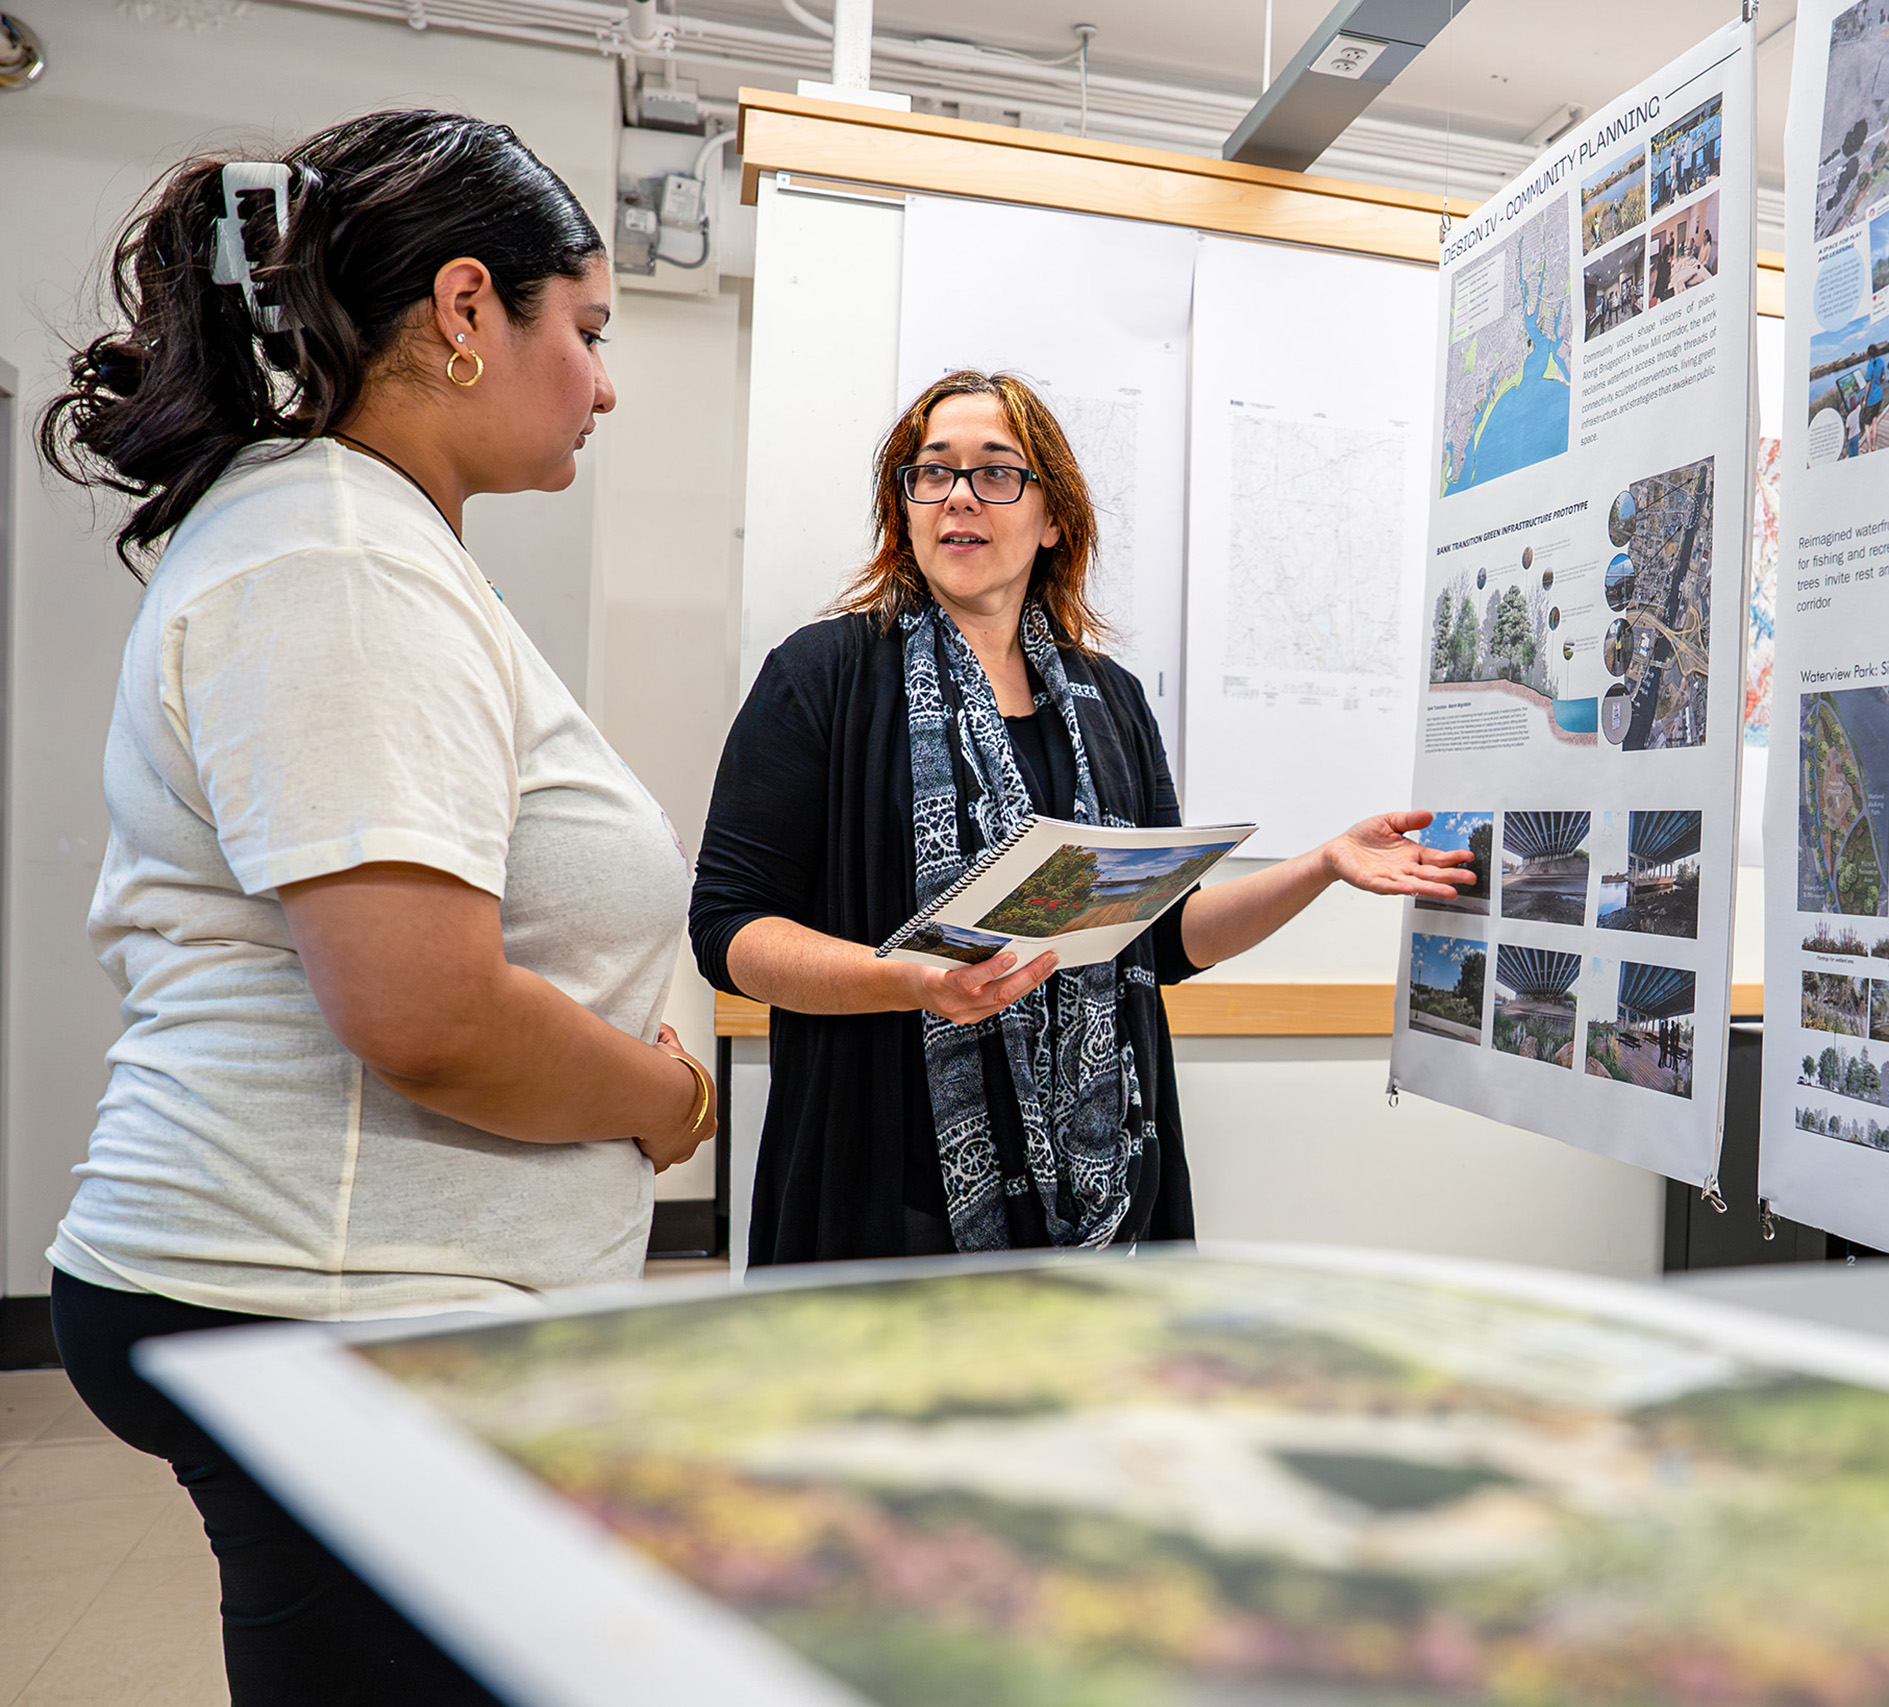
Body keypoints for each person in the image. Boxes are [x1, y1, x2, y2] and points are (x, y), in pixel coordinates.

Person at [39, 112, 711, 1703]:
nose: (606, 384)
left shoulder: (367, 536)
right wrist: (666, 1097)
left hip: (353, 1295)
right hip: (323, 1296)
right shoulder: (336, 554)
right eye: (592, 331)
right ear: (470, 308)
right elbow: (425, 1010)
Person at [691, 371, 1468, 1264]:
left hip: (1105, 1197)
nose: (959, 498)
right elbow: (728, 928)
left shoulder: (1112, 701)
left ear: (1052, 517)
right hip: (885, 1184)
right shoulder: (822, 676)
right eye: (932, 473)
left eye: (996, 473)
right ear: (903, 507)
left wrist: (1323, 864)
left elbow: (1165, 938)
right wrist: (910, 979)